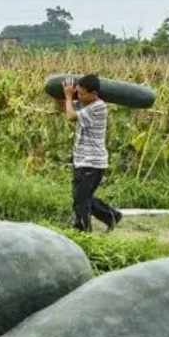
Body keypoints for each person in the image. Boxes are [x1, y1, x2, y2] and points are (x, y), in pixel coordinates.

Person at [56, 74, 122, 233]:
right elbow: (67, 110)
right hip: (83, 160)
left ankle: (83, 231)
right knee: (82, 198)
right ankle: (111, 216)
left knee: (81, 200)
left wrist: (68, 95)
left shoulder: (98, 107)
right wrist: (64, 99)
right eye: (77, 92)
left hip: (91, 162)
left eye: (81, 93)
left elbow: (71, 116)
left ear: (93, 93)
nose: (78, 96)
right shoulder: (86, 104)